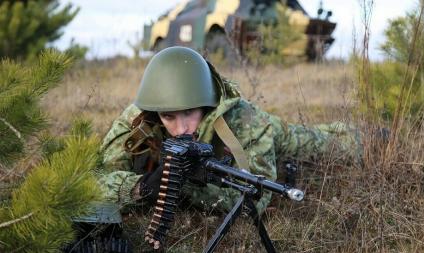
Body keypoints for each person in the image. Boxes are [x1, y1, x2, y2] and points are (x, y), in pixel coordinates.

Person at [97, 46, 362, 214]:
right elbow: (95, 181)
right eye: (169, 117)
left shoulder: (246, 121)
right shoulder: (138, 120)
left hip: (276, 133)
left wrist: (188, 188)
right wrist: (142, 187)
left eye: (190, 112)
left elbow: (256, 200)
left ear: (207, 105)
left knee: (318, 142)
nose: (181, 129)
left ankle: (362, 136)